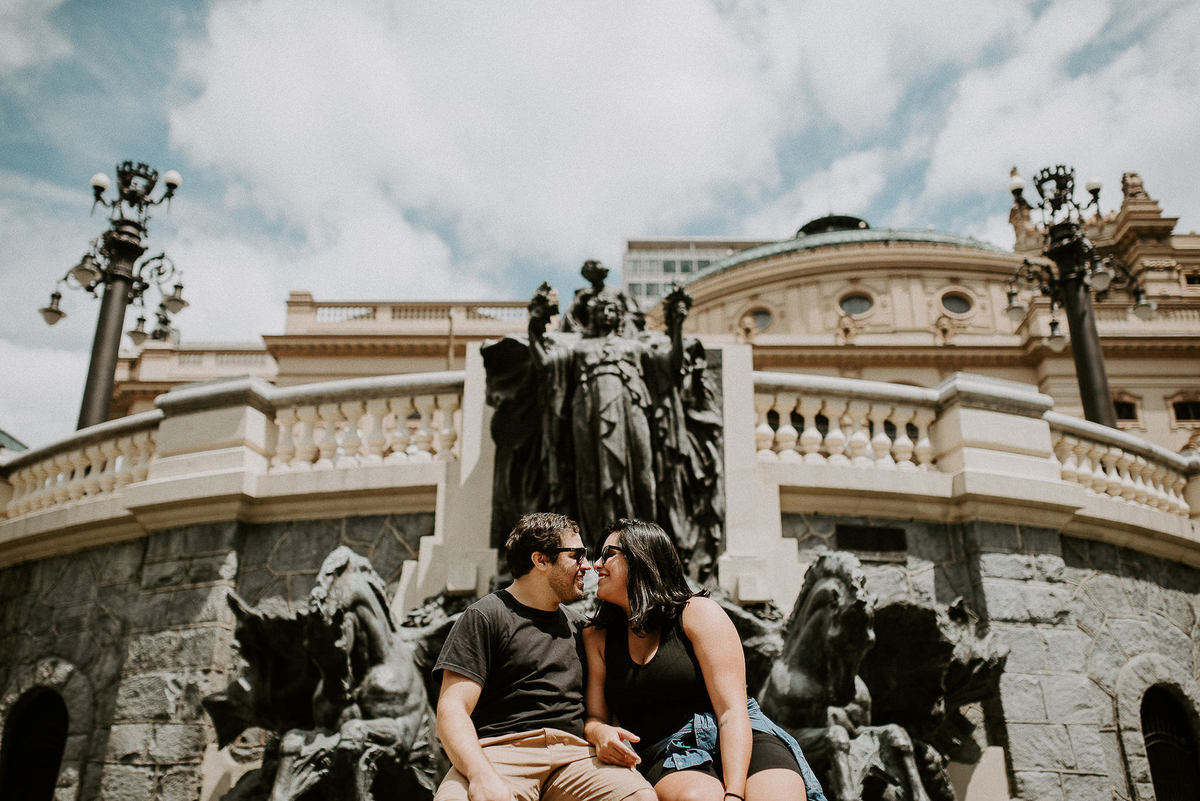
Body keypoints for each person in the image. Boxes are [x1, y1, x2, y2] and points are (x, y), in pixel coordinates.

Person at [583, 519, 827, 801]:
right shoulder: (597, 636)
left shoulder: (698, 613)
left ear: (642, 558)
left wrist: (734, 794)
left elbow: (731, 712)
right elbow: (595, 717)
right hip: (668, 750)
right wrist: (600, 732)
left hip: (741, 735)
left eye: (607, 554)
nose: (595, 565)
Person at [433, 512, 656, 801]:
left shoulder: (582, 628)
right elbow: (451, 710)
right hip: (500, 753)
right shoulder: (485, 616)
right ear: (540, 560)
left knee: (639, 797)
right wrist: (480, 775)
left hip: (576, 756)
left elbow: (596, 712)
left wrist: (602, 731)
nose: (587, 566)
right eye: (576, 556)